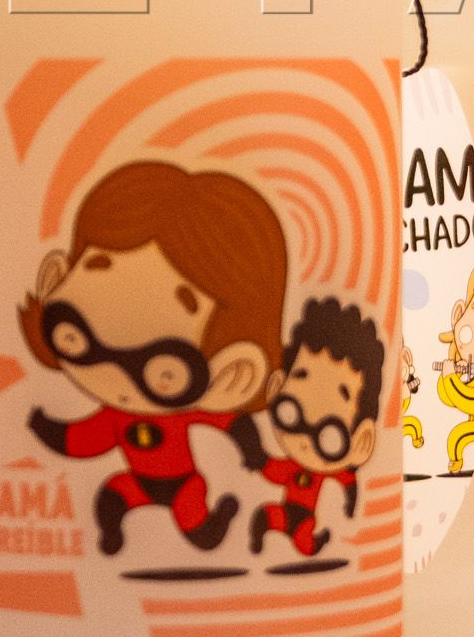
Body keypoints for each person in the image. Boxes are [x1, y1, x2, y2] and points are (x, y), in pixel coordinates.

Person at [21, 161, 285, 556]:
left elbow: (231, 423)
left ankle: (219, 520)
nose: (112, 369)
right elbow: (84, 439)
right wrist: (45, 428)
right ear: (53, 281)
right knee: (111, 500)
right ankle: (113, 537)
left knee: (197, 528)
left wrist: (254, 453)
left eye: (163, 370)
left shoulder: (182, 415)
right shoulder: (117, 418)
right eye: (75, 335)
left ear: (231, 375)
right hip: (136, 483)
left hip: (183, 485)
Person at [252, 298, 385, 556]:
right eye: (291, 413)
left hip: (306, 518)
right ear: (276, 389)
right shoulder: (291, 467)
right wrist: (256, 456)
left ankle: (317, 542)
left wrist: (350, 501)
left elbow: (346, 480)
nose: (306, 435)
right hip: (285, 511)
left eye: (330, 437)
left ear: (360, 441)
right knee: (269, 518)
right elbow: (272, 470)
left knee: (304, 540)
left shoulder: (327, 471)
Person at [435, 252, 474, 474]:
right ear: (459, 315)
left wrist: (451, 378)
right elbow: (447, 397)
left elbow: (470, 401)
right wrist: (451, 373)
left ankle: (456, 462)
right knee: (457, 437)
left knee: (458, 437)